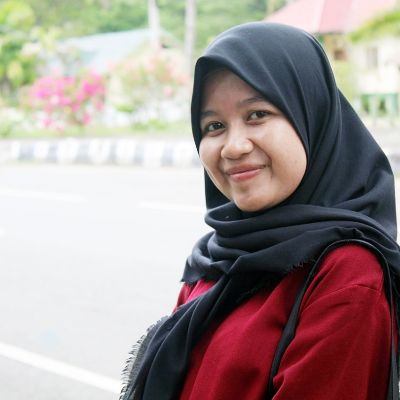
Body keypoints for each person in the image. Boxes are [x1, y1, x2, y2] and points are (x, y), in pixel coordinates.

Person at [120, 22, 400, 400]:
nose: (233, 146)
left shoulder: (346, 273)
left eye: (257, 115)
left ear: (310, 116)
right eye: (214, 125)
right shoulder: (217, 257)